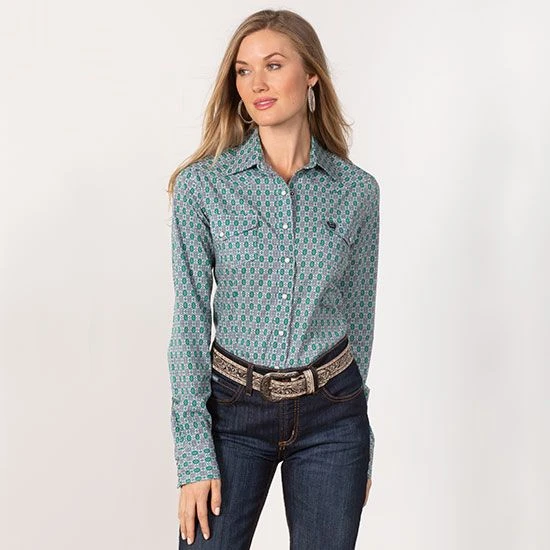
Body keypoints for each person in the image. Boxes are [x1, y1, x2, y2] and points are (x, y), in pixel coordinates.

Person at [166, 9, 380, 549]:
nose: (256, 83)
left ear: (311, 75)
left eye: (274, 65)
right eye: (243, 70)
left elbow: (359, 321)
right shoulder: (203, 187)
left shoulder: (356, 191)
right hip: (233, 412)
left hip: (333, 416)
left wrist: (364, 440)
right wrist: (194, 454)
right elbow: (189, 323)